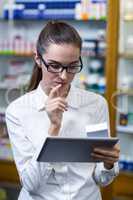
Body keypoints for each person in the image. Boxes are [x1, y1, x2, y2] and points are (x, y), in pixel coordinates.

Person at [6, 21, 120, 200]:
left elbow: (101, 179)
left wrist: (107, 164)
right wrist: (53, 127)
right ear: (38, 59)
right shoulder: (18, 111)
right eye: (54, 66)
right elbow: (31, 185)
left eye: (72, 66)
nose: (64, 76)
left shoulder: (96, 104)